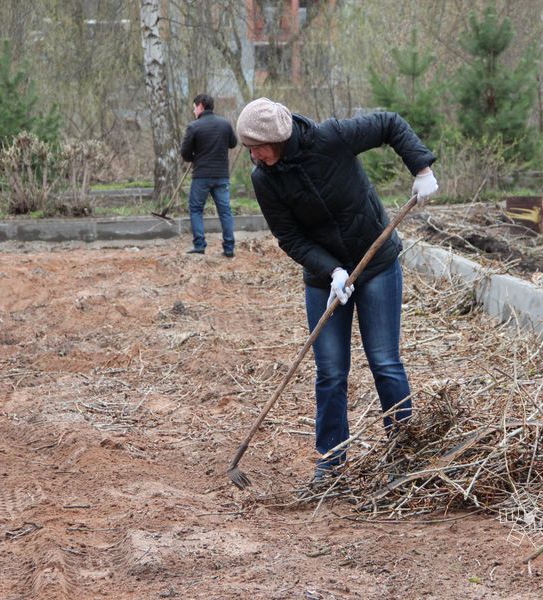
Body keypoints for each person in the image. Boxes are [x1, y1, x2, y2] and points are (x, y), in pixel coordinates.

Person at [236, 98, 439, 482]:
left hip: (376, 263)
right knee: (330, 372)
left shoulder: (331, 138)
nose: (253, 156)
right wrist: (332, 271)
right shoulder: (264, 179)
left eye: (257, 147)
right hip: (325, 279)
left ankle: (405, 453)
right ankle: (331, 460)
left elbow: (389, 123)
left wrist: (422, 168)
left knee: (384, 361)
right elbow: (289, 237)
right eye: (249, 149)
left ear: (277, 139)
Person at [180, 94, 238, 256]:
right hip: (221, 175)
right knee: (225, 211)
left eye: (194, 107)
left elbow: (184, 153)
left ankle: (199, 245)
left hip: (201, 176)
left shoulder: (194, 127)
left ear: (200, 106)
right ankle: (229, 248)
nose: (193, 111)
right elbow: (233, 143)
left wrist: (194, 157)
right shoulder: (225, 124)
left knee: (196, 209)